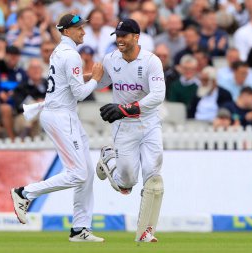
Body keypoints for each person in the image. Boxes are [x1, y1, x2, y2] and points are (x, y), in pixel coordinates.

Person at [10, 13, 105, 242]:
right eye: (79, 28)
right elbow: (80, 93)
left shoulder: (60, 51)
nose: (83, 31)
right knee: (79, 173)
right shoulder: (72, 55)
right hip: (61, 116)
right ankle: (24, 193)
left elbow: (65, 81)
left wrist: (88, 75)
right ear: (66, 31)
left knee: (87, 174)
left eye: (83, 27)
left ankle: (79, 229)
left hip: (63, 114)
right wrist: (96, 79)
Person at [96, 18, 165, 242]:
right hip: (124, 127)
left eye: (124, 36)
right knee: (126, 183)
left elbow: (157, 96)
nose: (120, 40)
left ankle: (145, 232)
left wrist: (127, 108)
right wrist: (72, 82)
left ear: (137, 37)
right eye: (117, 36)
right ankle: (108, 158)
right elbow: (99, 81)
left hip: (149, 123)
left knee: (154, 178)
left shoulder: (151, 61)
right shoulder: (110, 59)